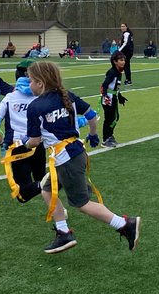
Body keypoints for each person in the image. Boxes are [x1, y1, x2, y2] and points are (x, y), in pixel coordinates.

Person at [24, 60, 140, 254]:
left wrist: (21, 146)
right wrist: (93, 134)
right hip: (75, 153)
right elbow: (92, 115)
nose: (29, 85)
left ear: (40, 83)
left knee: (82, 204)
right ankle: (63, 233)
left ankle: (125, 224)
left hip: (66, 159)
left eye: (31, 81)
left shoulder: (36, 106)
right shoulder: (67, 95)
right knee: (46, 190)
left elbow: (34, 141)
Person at [0, 58, 46, 204]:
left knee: (23, 194)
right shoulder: (43, 96)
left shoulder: (10, 98)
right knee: (43, 182)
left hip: (18, 147)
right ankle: (60, 221)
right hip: (38, 144)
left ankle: (57, 182)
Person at [99, 50, 127, 148]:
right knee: (109, 118)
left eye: (124, 60)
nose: (123, 62)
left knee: (115, 117)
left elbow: (116, 87)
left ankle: (109, 135)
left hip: (113, 97)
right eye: (120, 60)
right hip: (108, 98)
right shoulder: (112, 72)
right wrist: (105, 95)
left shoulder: (119, 72)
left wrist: (120, 97)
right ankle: (105, 139)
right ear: (115, 61)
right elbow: (104, 85)